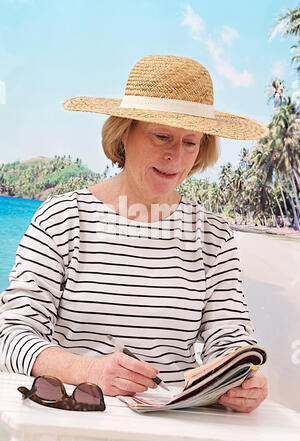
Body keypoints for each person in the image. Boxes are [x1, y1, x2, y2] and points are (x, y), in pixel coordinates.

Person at [0, 55, 268, 413]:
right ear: (124, 132)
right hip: (70, 423)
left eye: (190, 143)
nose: (175, 156)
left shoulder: (213, 236)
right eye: (162, 136)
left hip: (173, 433)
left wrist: (241, 379)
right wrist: (90, 370)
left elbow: (230, 341)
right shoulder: (62, 218)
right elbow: (10, 337)